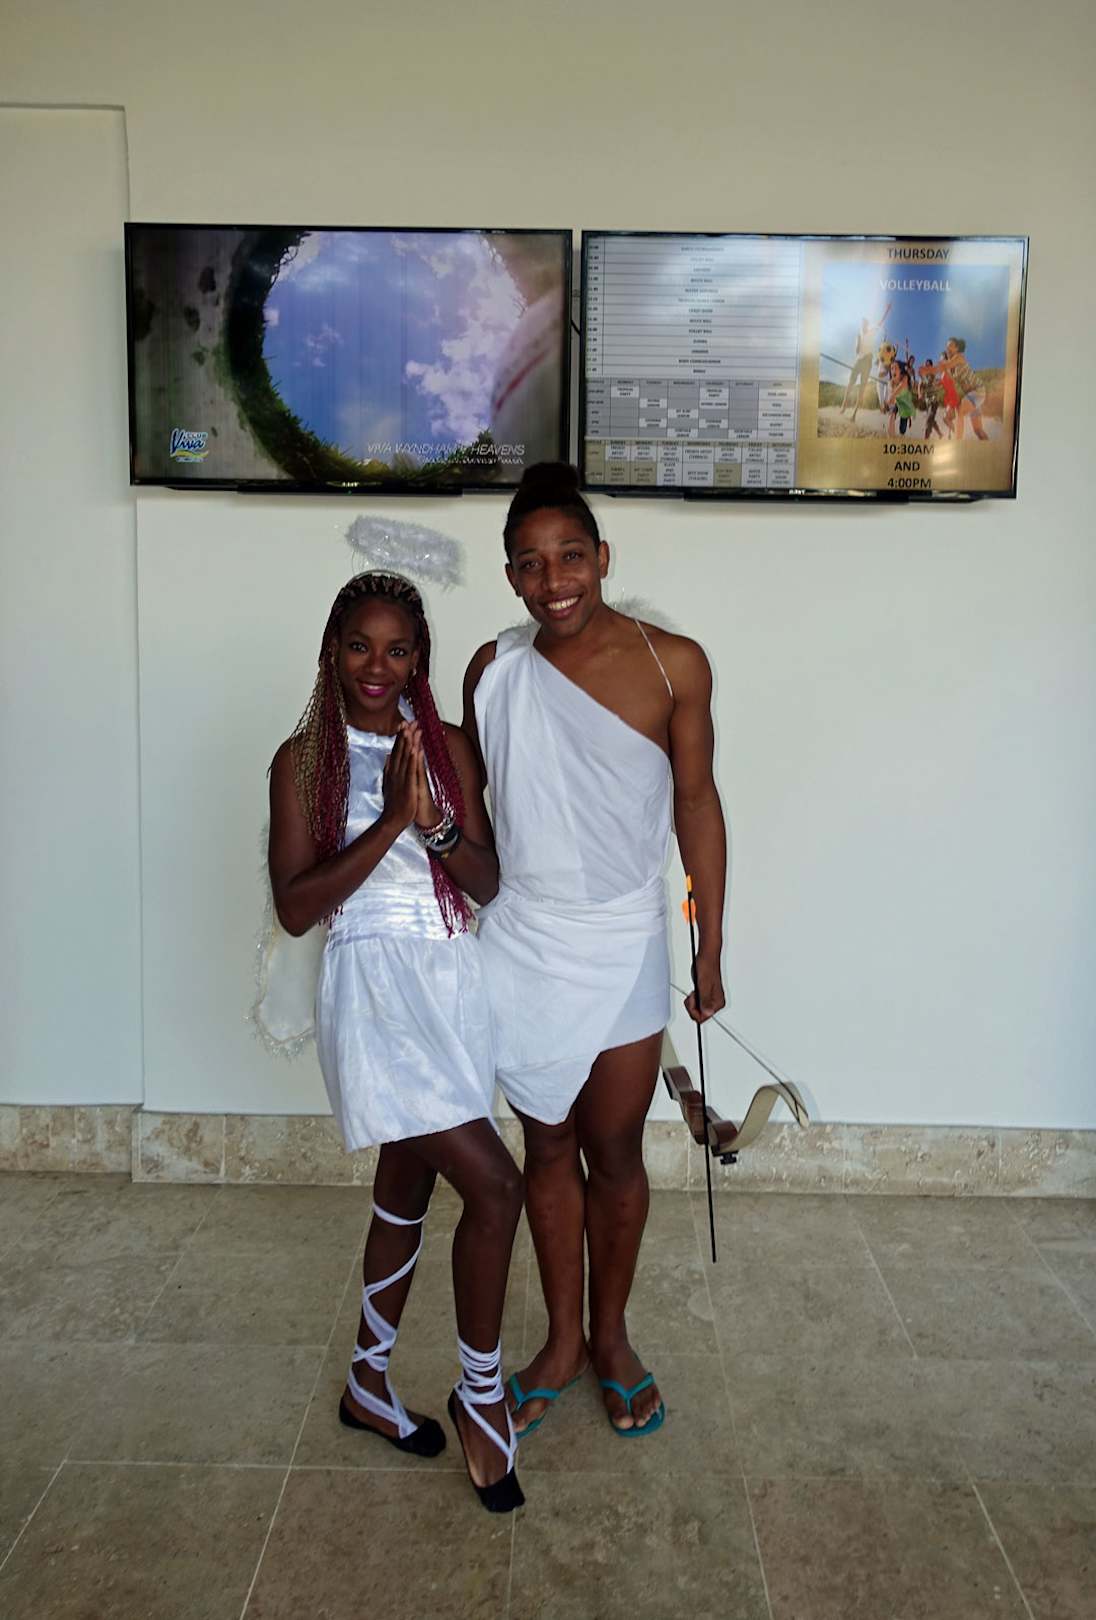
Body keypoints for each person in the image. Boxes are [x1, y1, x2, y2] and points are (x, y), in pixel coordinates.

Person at [462, 464, 727, 1440]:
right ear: (511, 578)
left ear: (602, 558)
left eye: (570, 555)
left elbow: (696, 803)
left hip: (622, 938)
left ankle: (611, 1338)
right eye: (531, 565)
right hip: (523, 937)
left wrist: (709, 944)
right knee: (545, 1146)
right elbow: (482, 816)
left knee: (613, 1150)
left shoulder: (673, 665)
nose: (554, 580)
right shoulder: (493, 671)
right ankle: (562, 1342)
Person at [267, 570, 524, 1513]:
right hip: (375, 990)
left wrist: (437, 822)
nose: (377, 666)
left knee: (407, 1186)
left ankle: (366, 1383)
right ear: (331, 651)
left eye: (398, 649)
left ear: (420, 658)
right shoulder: (303, 760)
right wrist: (388, 823)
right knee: (497, 1187)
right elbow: (297, 908)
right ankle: (481, 1395)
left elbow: (485, 882)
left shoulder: (446, 747)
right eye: (359, 646)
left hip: (451, 983)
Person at [840, 300, 893, 418]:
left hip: (868, 361)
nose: (864, 325)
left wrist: (887, 310)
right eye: (862, 323)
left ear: (867, 325)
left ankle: (854, 414)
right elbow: (857, 351)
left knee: (862, 388)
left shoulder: (871, 332)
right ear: (861, 325)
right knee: (850, 383)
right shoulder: (858, 335)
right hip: (859, 360)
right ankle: (843, 405)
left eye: (865, 323)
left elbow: (880, 323)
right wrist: (858, 343)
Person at [934, 336, 989, 440]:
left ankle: (957, 443)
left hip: (978, 391)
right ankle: (989, 447)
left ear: (957, 348)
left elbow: (946, 365)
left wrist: (939, 365)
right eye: (947, 347)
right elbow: (947, 378)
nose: (948, 348)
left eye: (951, 346)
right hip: (971, 397)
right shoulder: (951, 369)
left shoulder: (959, 357)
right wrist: (938, 382)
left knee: (960, 409)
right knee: (978, 430)